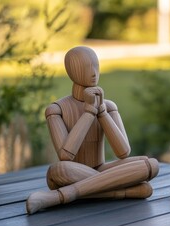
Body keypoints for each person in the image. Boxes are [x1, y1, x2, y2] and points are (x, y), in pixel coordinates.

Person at [26, 46, 159, 214]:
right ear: (71, 71)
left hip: (100, 169)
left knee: (151, 165)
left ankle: (62, 195)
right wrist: (89, 113)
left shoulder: (109, 107)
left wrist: (102, 112)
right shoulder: (57, 109)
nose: (94, 72)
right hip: (72, 172)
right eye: (86, 67)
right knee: (58, 169)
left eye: (96, 66)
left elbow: (123, 152)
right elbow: (66, 156)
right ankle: (121, 191)